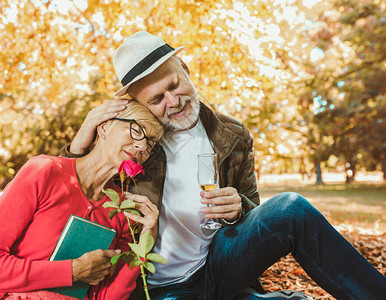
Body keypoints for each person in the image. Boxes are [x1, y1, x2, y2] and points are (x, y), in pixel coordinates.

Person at [61, 32, 386, 300]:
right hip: (158, 287)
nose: (172, 101)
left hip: (221, 264)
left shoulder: (233, 135)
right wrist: (78, 144)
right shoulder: (129, 142)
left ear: (185, 69)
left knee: (291, 208)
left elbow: (254, 213)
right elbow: (67, 195)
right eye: (156, 99)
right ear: (136, 105)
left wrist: (237, 208)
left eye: (174, 85)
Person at [0, 101, 164, 300]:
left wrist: (146, 241)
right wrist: (73, 271)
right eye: (137, 130)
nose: (142, 145)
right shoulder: (44, 172)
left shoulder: (122, 210)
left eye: (151, 143)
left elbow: (107, 296)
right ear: (104, 127)